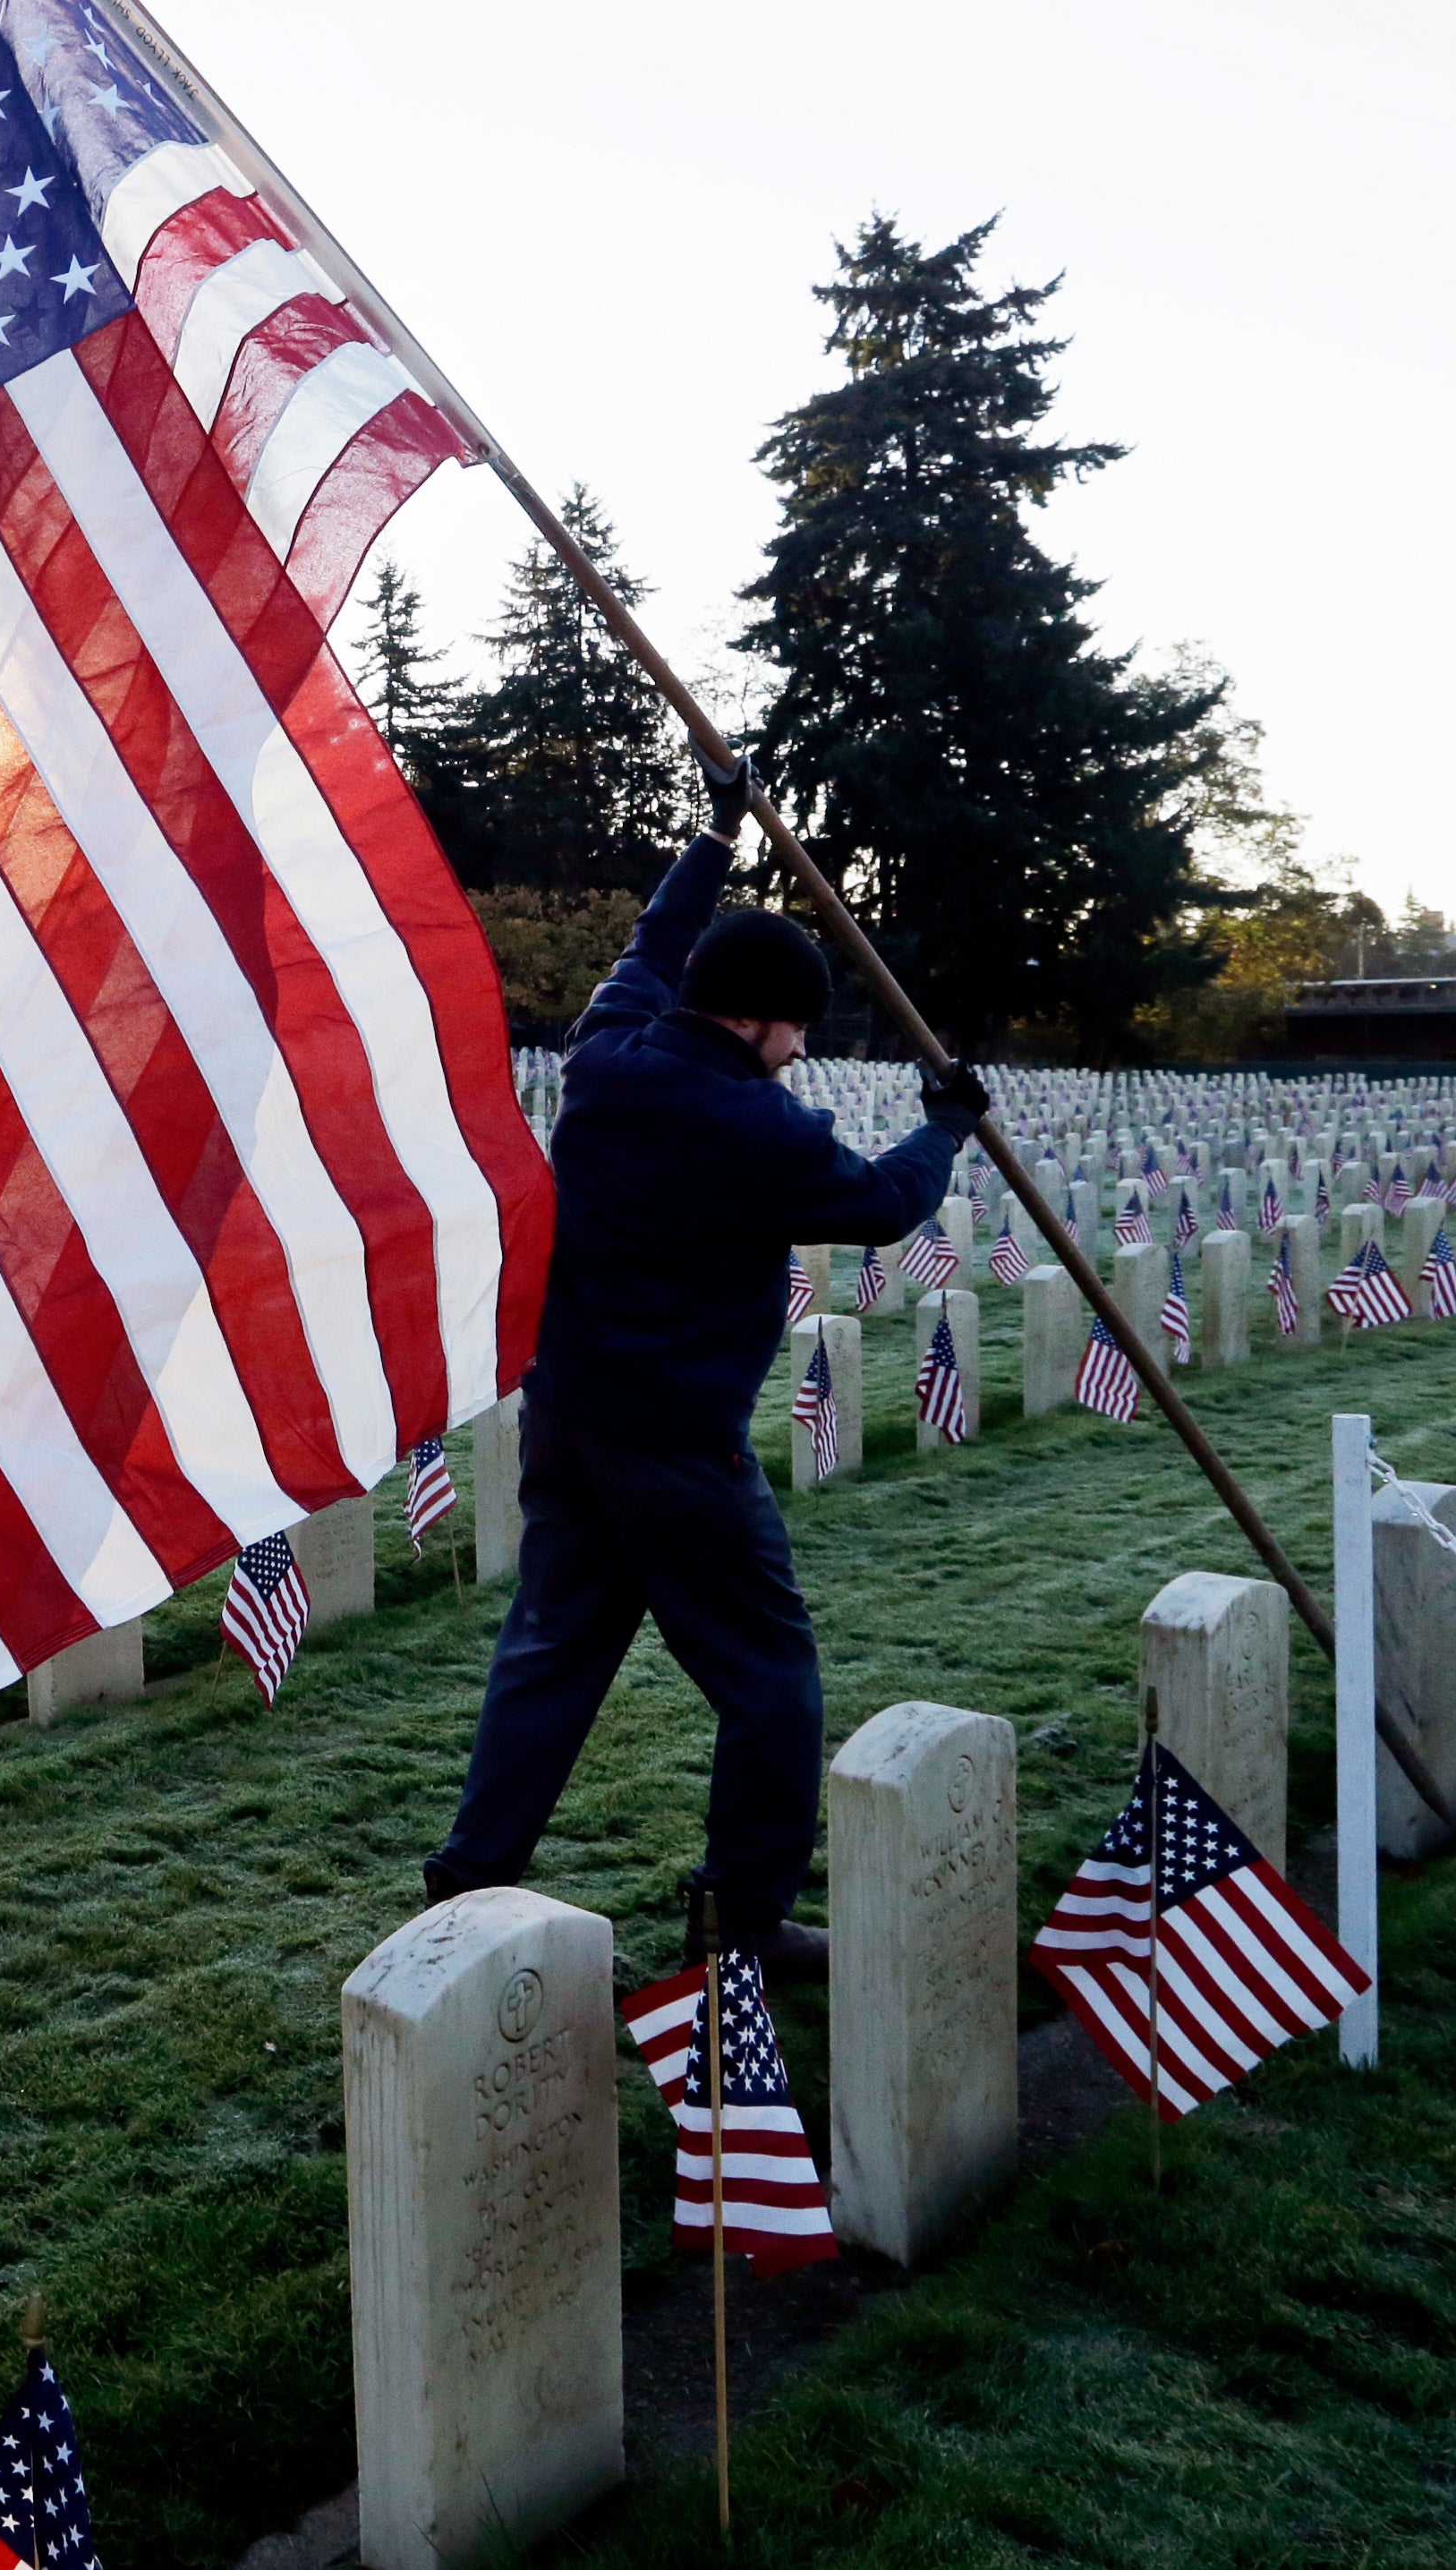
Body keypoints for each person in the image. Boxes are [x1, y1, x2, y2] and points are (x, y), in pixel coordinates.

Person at [424, 758, 989, 1980]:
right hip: (676, 1443)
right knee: (770, 1679)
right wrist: (943, 1124)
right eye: (794, 1024)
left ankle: (469, 1875)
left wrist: (712, 837)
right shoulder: (747, 1128)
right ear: (749, 1020)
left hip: (568, 1416)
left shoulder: (608, 1052)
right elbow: (885, 1204)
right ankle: (740, 1907)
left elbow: (655, 939)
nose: (798, 1047)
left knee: (553, 1650)